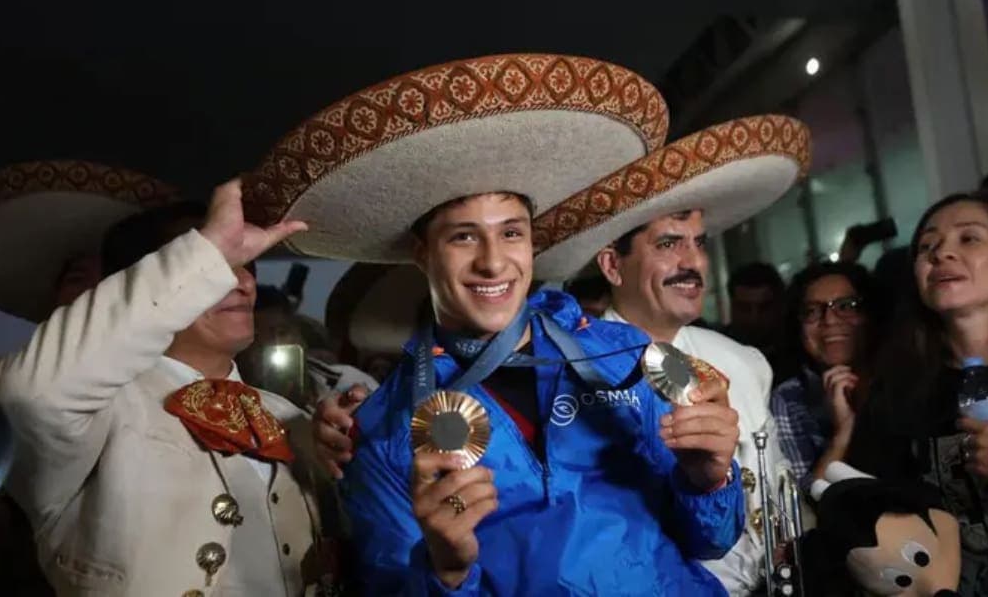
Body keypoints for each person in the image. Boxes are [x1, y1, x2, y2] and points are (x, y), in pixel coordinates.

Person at [251, 53, 743, 595]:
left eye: (511, 233)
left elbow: (710, 541)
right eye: (464, 236)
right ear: (422, 254)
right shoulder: (384, 432)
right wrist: (446, 571)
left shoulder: (623, 356)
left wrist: (709, 479)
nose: (493, 262)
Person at [0, 180, 350, 596]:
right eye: (216, 264)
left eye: (247, 265)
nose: (243, 283)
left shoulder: (290, 417)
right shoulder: (95, 412)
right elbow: (30, 393)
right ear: (148, 280)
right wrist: (206, 250)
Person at [531, 114, 809, 596]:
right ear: (613, 265)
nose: (692, 262)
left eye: (699, 244)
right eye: (668, 244)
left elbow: (776, 496)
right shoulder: (571, 375)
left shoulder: (744, 362)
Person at [0, 160, 180, 597]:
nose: (95, 298)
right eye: (79, 281)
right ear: (54, 298)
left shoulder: (189, 386)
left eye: (113, 283)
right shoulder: (19, 381)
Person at [843, 190, 988, 595]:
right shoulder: (896, 389)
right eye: (927, 245)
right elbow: (865, 513)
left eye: (969, 238)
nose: (941, 253)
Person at [770, 261, 882, 495]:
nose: (830, 320)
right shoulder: (790, 397)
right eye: (812, 311)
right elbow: (805, 509)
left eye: (846, 306)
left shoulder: (903, 377)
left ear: (870, 315)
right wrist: (843, 432)